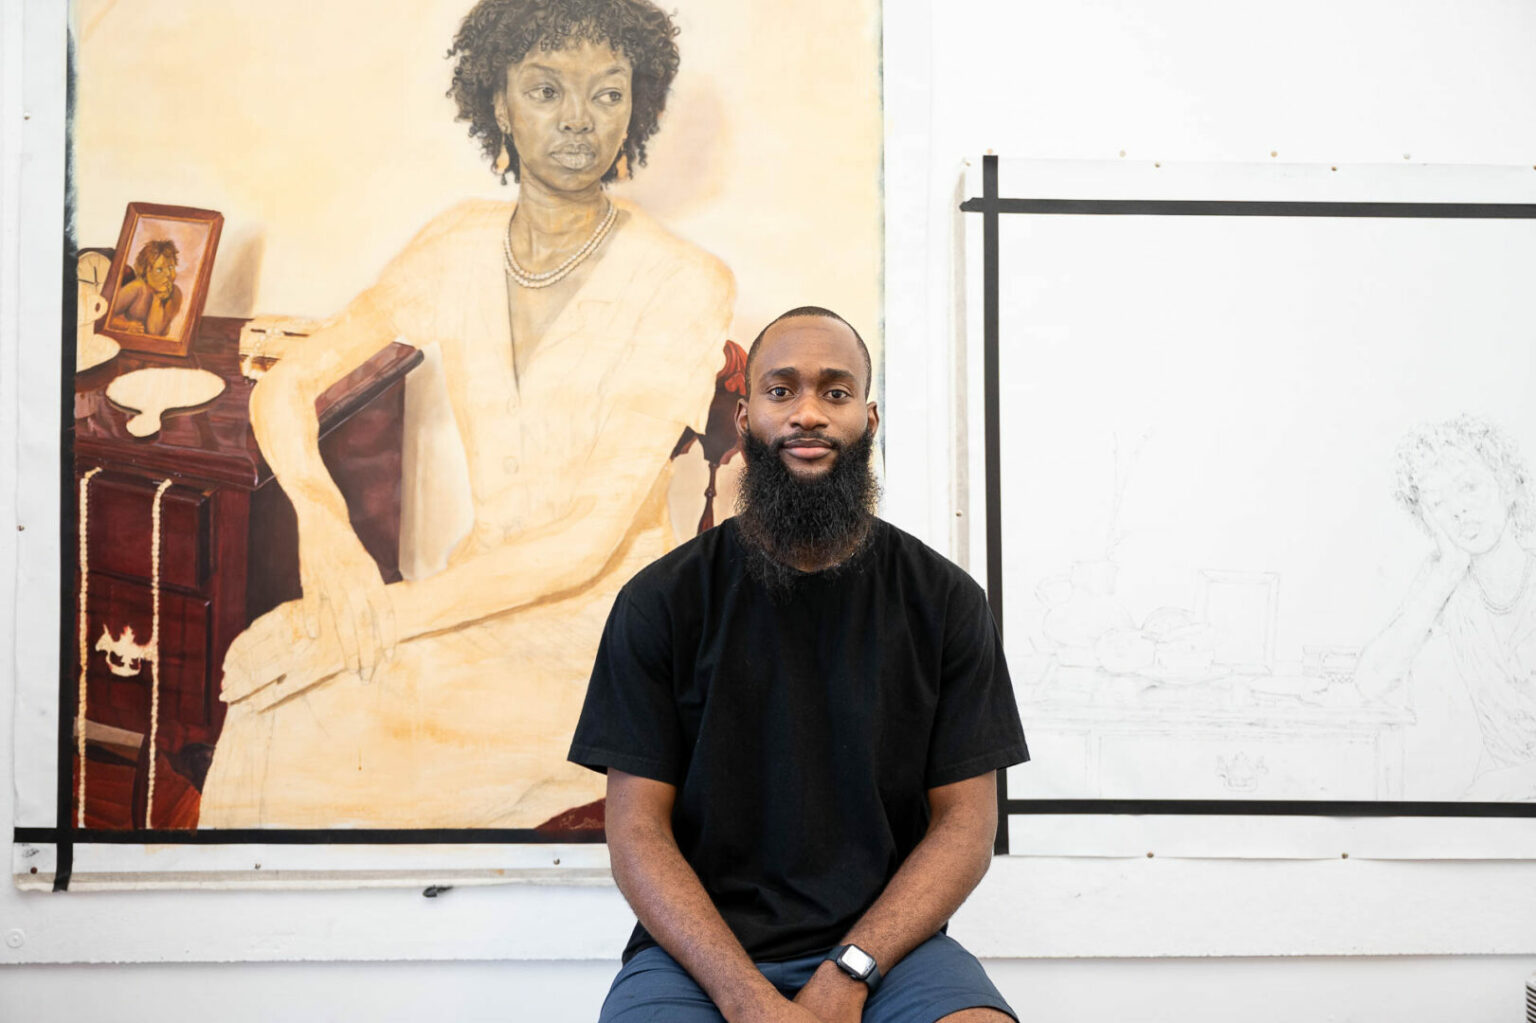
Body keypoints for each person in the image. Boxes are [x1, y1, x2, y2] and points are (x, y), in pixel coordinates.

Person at [199, 0, 734, 829]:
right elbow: (284, 386)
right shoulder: (457, 244)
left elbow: (583, 541)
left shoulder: (685, 281)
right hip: (471, 604)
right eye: (546, 90)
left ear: (637, 104)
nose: (579, 120)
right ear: (499, 103)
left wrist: (372, 618)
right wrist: (325, 526)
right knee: (270, 686)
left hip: (606, 645)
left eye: (607, 93)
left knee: (303, 705)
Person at [569, 308, 1028, 1022]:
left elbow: (966, 827)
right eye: (781, 391)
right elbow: (636, 834)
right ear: (744, 416)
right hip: (698, 955)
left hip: (890, 951)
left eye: (835, 392)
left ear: (869, 420)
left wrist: (851, 970)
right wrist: (745, 996)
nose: (807, 413)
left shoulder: (945, 601)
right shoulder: (660, 601)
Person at [1355, 415, 1536, 800]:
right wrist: (1449, 570)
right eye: (1438, 502)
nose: (1458, 511)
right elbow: (1371, 681)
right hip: (1499, 798)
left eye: (1469, 487)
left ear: (1506, 484)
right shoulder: (1446, 580)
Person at [108, 238, 182, 336]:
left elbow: (154, 331)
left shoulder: (175, 294)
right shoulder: (136, 288)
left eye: (171, 267)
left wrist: (157, 299)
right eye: (159, 270)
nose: (168, 274)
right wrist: (126, 326)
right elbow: (102, 317)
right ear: (146, 271)